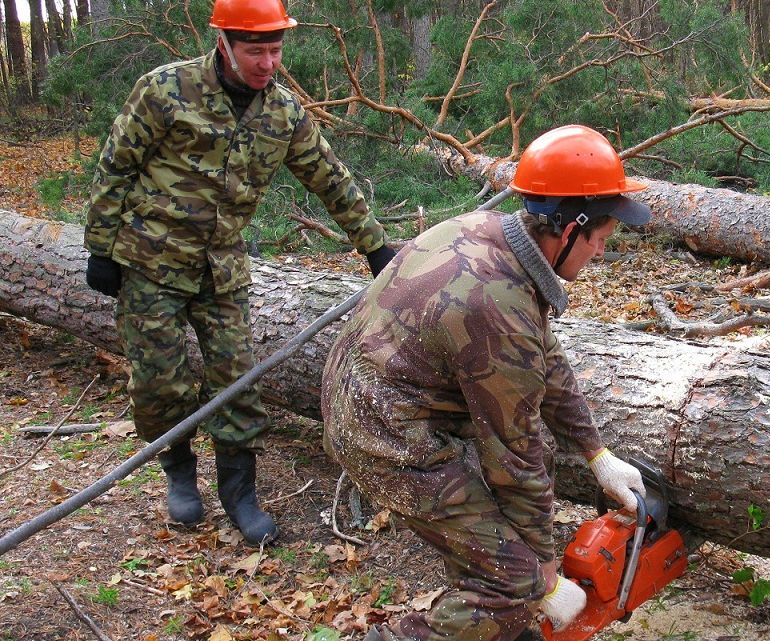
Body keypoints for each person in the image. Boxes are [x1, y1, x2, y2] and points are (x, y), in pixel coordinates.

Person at [83, 0, 396, 545]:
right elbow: (116, 165)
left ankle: (238, 491)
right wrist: (101, 248)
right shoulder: (165, 90)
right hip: (150, 263)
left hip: (221, 271)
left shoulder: (284, 114)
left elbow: (329, 179)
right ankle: (179, 475)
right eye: (256, 50)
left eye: (276, 50)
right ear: (225, 43)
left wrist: (374, 248)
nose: (268, 62)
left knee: (238, 379)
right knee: (160, 383)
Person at [321, 124, 650, 641]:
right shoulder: (498, 306)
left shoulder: (493, 235)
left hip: (374, 397)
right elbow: (515, 456)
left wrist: (595, 452)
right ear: (569, 230)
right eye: (601, 239)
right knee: (510, 584)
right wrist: (541, 575)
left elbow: (544, 355)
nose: (603, 253)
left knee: (501, 552)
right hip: (383, 434)